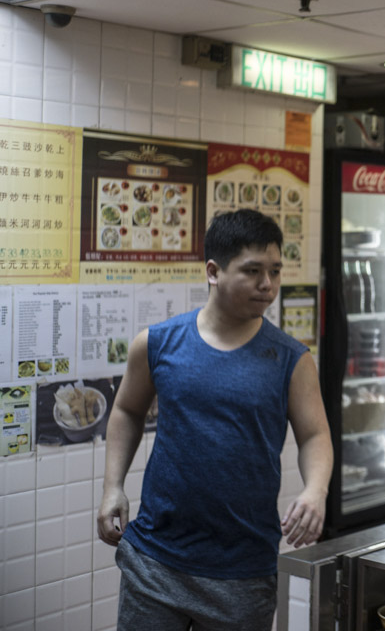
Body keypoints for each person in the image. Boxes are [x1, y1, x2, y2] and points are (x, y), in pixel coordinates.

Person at [97, 208, 333, 630]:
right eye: (253, 271)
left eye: (275, 271)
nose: (268, 284)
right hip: (155, 560)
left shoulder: (291, 360)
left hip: (242, 571)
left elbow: (315, 434)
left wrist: (316, 491)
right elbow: (127, 410)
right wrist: (112, 486)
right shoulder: (157, 343)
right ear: (213, 271)